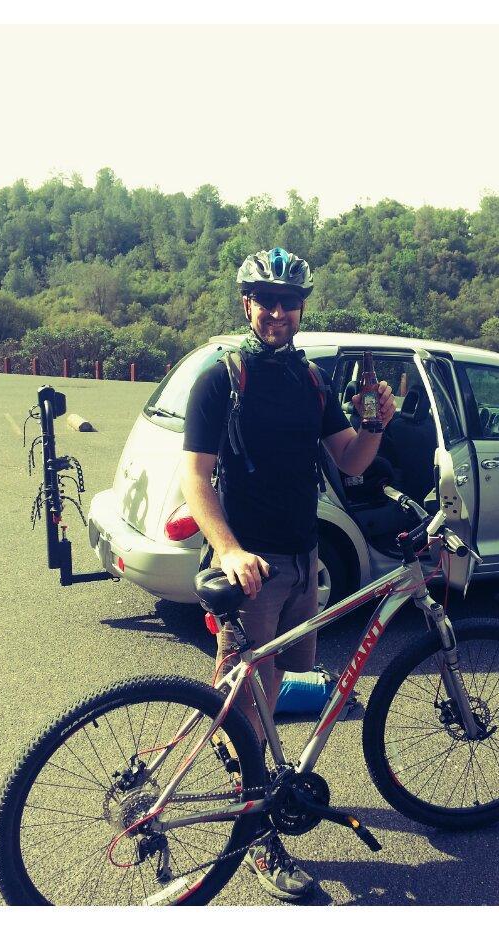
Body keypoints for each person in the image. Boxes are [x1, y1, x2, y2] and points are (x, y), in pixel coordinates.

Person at [181, 247, 396, 901]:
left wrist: (374, 424)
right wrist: (228, 550)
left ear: (301, 307)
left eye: (288, 301)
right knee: (249, 701)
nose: (277, 312)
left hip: (303, 559)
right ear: (246, 304)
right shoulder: (221, 377)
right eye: (265, 300)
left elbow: (351, 462)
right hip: (252, 566)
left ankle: (241, 735)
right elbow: (194, 479)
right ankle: (258, 839)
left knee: (275, 683)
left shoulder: (308, 380)